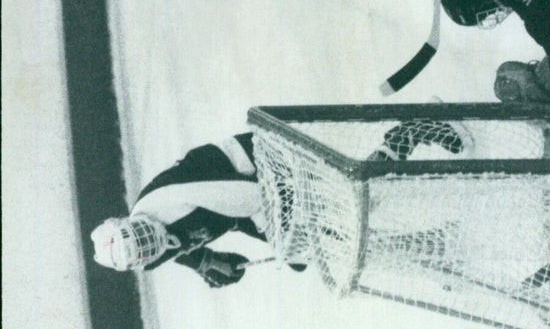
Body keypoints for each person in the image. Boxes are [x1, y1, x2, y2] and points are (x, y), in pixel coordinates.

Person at [90, 117, 471, 284]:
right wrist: (208, 262)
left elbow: (256, 199)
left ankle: (412, 132)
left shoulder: (171, 201)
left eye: (140, 235)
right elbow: (181, 248)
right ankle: (426, 245)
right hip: (243, 205)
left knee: (346, 205)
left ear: (128, 219)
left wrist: (288, 240)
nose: (148, 242)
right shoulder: (150, 256)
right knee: (315, 244)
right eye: (143, 249)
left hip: (256, 165)